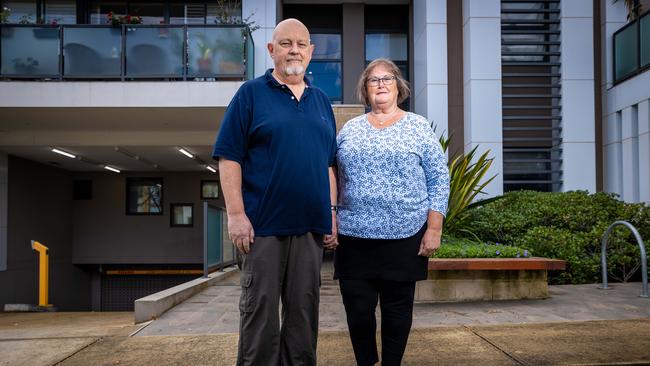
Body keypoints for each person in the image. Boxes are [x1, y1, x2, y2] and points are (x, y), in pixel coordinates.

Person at [212, 18, 338, 366]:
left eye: (301, 43)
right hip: (262, 228)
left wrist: (331, 213)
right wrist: (236, 215)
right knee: (260, 317)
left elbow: (328, 165)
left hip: (310, 228)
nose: (294, 49)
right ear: (271, 50)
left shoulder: (321, 102)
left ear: (311, 52)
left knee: (303, 318)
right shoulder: (250, 94)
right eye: (285, 43)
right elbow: (229, 157)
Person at [333, 58, 450, 366]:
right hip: (353, 236)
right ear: (365, 90)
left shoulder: (418, 126)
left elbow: (439, 178)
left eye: (387, 79)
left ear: (399, 86)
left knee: (397, 313)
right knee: (358, 313)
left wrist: (434, 229)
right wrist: (329, 216)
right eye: (373, 80)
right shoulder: (349, 129)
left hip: (405, 235)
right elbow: (332, 174)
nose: (381, 84)